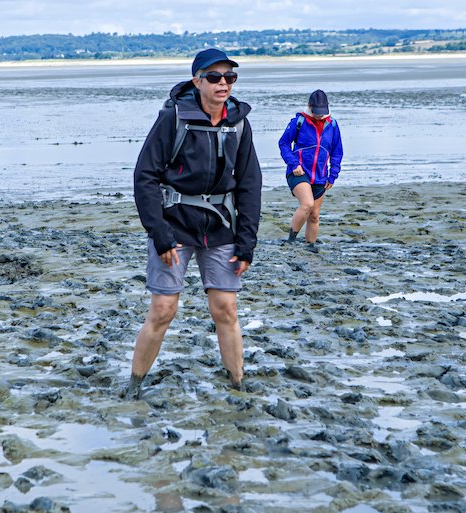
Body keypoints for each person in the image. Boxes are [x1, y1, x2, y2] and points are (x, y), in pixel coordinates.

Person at [128, 48, 262, 398]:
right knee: (162, 309)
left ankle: (238, 384)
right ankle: (134, 384)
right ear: (197, 80)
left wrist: (247, 242)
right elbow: (145, 177)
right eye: (214, 77)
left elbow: (250, 184)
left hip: (221, 228)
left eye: (229, 77)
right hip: (174, 227)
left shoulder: (239, 123)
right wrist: (159, 234)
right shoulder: (173, 119)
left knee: (226, 309)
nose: (223, 84)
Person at [278, 89, 343, 251]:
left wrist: (333, 175)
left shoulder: (333, 125)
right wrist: (294, 164)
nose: (320, 116)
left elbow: (337, 152)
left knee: (314, 215)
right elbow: (284, 144)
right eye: (316, 112)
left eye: (323, 112)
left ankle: (310, 248)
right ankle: (291, 242)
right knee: (306, 204)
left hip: (320, 176)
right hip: (298, 172)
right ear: (309, 106)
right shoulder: (298, 122)